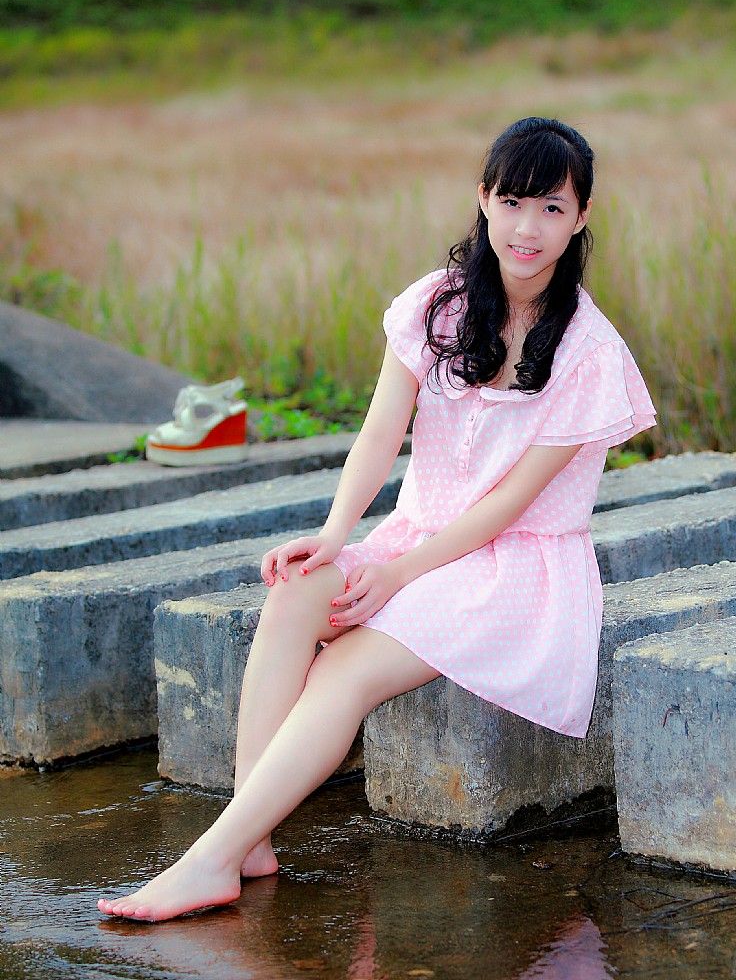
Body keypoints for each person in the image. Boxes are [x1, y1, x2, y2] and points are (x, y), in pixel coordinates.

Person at [98, 117, 656, 922]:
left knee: (346, 669)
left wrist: (394, 574)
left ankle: (209, 862)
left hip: (513, 566)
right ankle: (248, 841)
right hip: (418, 537)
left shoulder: (589, 351)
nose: (528, 228)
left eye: (551, 208)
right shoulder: (438, 304)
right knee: (296, 592)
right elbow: (379, 431)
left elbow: (510, 504)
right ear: (483, 199)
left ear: (581, 217)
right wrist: (335, 537)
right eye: (512, 202)